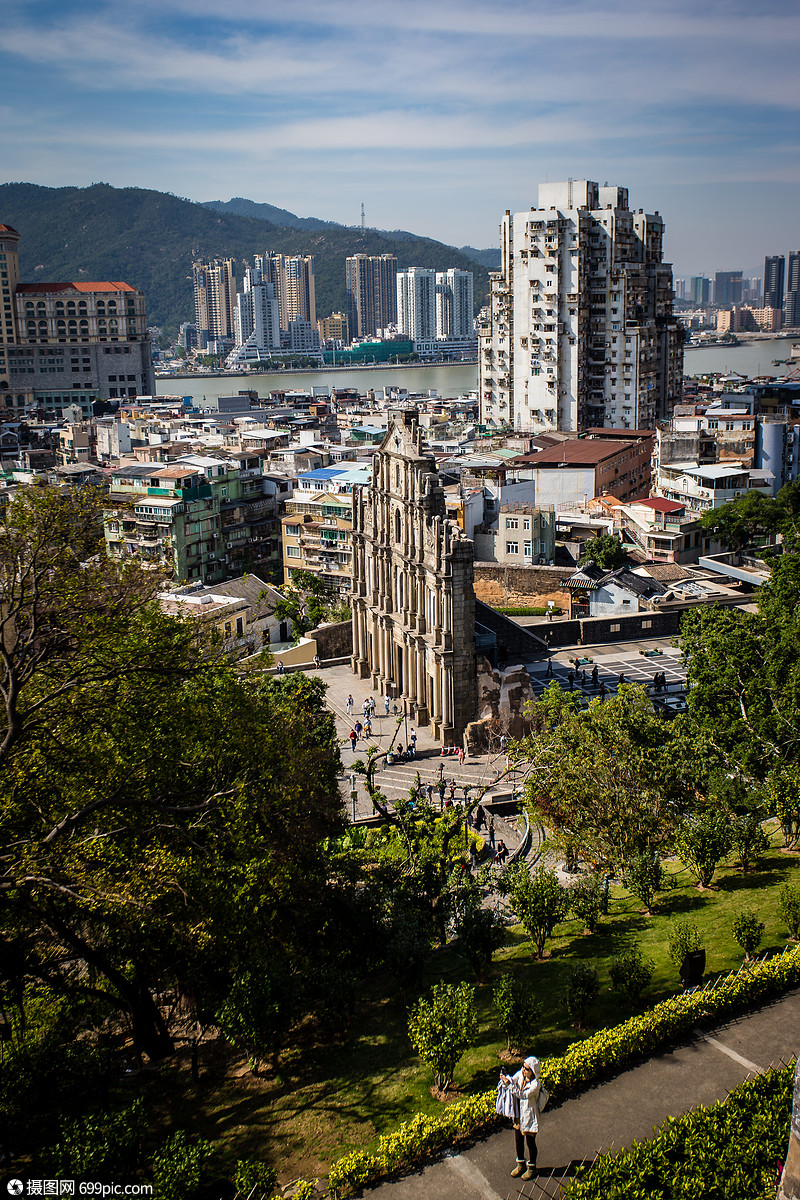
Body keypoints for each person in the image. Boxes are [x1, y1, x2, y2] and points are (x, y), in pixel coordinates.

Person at [500, 1056, 542, 1180]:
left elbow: (522, 1095)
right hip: (520, 1115)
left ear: (533, 1071)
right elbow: (513, 1079)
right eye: (523, 1067)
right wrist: (505, 1078)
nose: (524, 1070)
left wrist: (509, 1085)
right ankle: (520, 1164)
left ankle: (532, 1168)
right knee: (518, 1139)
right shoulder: (521, 1075)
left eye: (527, 1069)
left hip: (529, 1117)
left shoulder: (535, 1085)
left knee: (530, 1142)